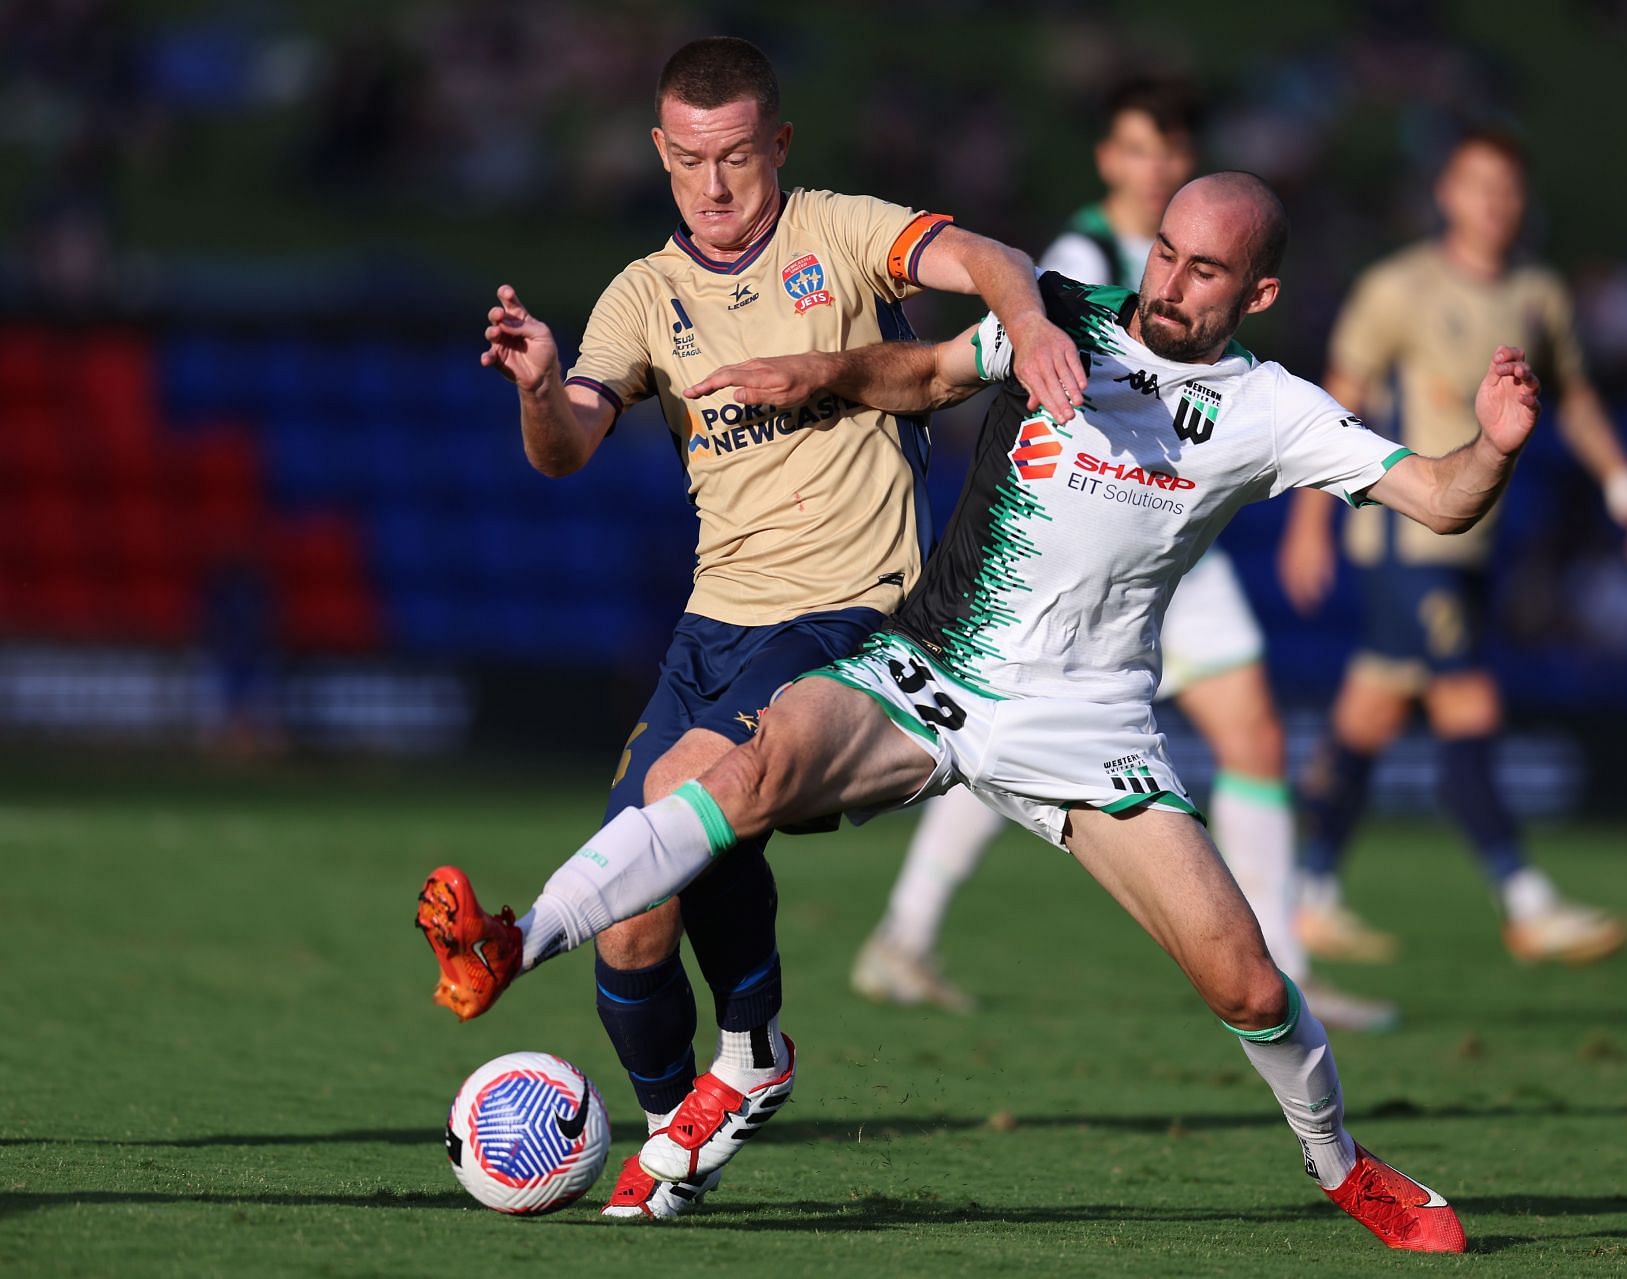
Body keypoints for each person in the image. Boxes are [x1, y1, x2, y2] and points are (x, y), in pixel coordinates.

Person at [418, 171, 1547, 1254]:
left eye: (1207, 271)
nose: (1170, 282)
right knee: (742, 777)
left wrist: (1491, 444)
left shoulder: (1272, 409)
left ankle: (1343, 1164)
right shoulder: (1064, 321)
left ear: (1256, 296)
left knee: (1247, 983)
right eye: (1164, 251)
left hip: (1088, 725)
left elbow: (1439, 499)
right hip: (933, 672)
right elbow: (923, 375)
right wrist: (820, 373)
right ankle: (515, 944)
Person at [450, 36, 1086, 1223]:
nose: (715, 185)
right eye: (690, 161)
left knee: (688, 796)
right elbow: (564, 452)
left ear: (778, 145)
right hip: (712, 626)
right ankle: (669, 1138)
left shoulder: (839, 232)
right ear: (658, 153)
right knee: (635, 919)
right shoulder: (642, 295)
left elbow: (993, 256)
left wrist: (1031, 323)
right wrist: (540, 388)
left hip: (851, 611)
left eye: (738, 156)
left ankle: (749, 1045)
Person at [851, 78, 1397, 1032]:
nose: (1159, 169)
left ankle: (1281, 960)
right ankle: (904, 931)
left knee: (1249, 736)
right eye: (1141, 151)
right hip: (1085, 547)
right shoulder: (1075, 262)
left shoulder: (1199, 264)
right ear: (1110, 160)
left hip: (1165, 548)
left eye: (1172, 152)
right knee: (1015, 731)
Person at [1279, 129, 1627, 965]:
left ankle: (1308, 891)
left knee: (1369, 714)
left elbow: (1576, 399)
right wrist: (1311, 524)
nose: (1494, 203)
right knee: (1467, 702)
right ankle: (1525, 900)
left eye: (1508, 189)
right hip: (1407, 536)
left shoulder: (1536, 292)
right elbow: (1330, 407)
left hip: (1475, 543)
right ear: (1447, 193)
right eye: (1478, 186)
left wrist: (1623, 480)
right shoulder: (1397, 288)